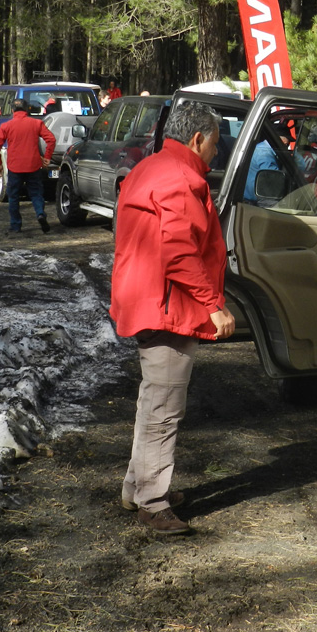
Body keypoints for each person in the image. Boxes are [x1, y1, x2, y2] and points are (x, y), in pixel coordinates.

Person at [111, 101, 236, 535]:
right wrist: (213, 304)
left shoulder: (150, 168)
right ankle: (152, 501)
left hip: (147, 300)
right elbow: (179, 252)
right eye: (215, 143)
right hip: (166, 307)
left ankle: (137, 486)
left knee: (154, 403)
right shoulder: (181, 178)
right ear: (197, 139)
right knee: (164, 409)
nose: (216, 153)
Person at [0, 98, 56, 235]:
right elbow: (51, 139)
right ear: (27, 109)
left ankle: (16, 225)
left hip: (15, 166)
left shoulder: (6, 126)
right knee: (37, 194)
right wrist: (47, 158)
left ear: (13, 110)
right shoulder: (36, 123)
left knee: (13, 196)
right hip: (34, 164)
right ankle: (40, 214)